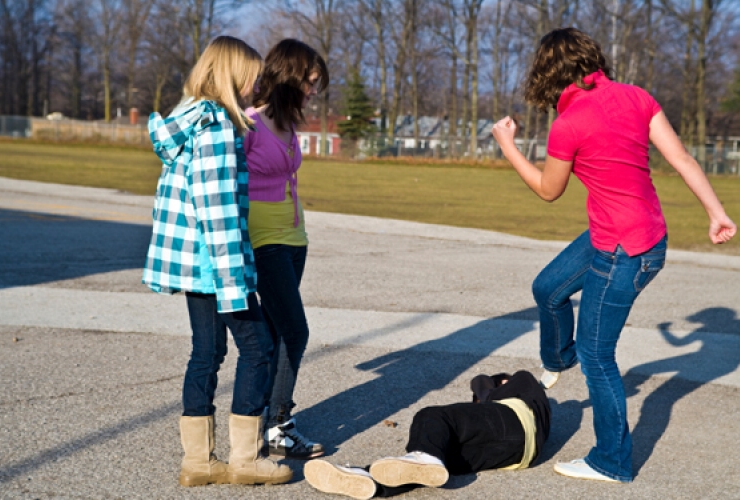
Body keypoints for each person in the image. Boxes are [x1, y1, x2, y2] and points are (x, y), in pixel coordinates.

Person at [491, 28, 737, 483]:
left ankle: (611, 461)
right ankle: (559, 361)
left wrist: (507, 145)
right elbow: (681, 158)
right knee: (548, 288)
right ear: (592, 60)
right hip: (632, 234)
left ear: (548, 73)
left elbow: (549, 191)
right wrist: (716, 213)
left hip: (626, 251)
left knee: (598, 356)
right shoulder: (637, 96)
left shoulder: (569, 124)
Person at [143, 35, 292, 487]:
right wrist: (234, 282)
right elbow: (218, 210)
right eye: (252, 79)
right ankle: (244, 461)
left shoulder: (190, 121)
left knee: (206, 352)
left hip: (194, 264)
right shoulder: (216, 129)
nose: (256, 87)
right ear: (231, 77)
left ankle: (199, 463)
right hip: (216, 265)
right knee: (258, 348)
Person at [243, 38, 330, 459]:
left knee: (280, 331)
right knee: (296, 331)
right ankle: (277, 423)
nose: (313, 91)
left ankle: (263, 422)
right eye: (310, 82)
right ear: (290, 78)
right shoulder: (248, 124)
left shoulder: (289, 124)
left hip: (295, 240)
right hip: (264, 242)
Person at [303, 370, 550, 499]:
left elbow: (481, 381)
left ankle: (423, 457)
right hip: (519, 457)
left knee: (432, 416)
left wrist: (488, 389)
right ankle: (368, 479)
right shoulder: (536, 412)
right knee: (433, 461)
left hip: (514, 419)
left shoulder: (521, 382)